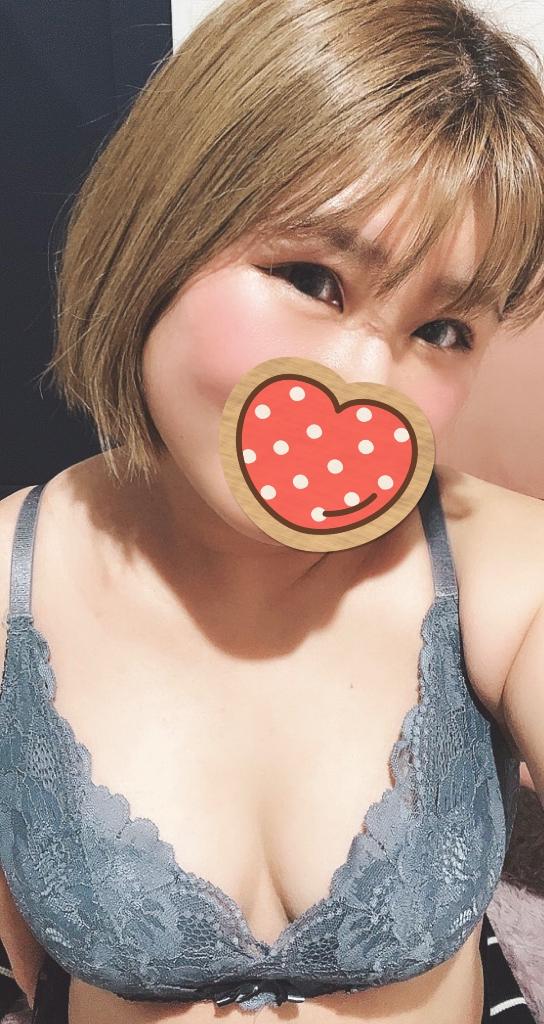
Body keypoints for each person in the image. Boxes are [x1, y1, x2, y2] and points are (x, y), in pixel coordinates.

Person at [0, 0, 543, 1021]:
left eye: (441, 330)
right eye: (311, 278)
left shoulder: (501, 567)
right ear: (160, 232)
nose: (366, 384)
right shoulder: (9, 580)